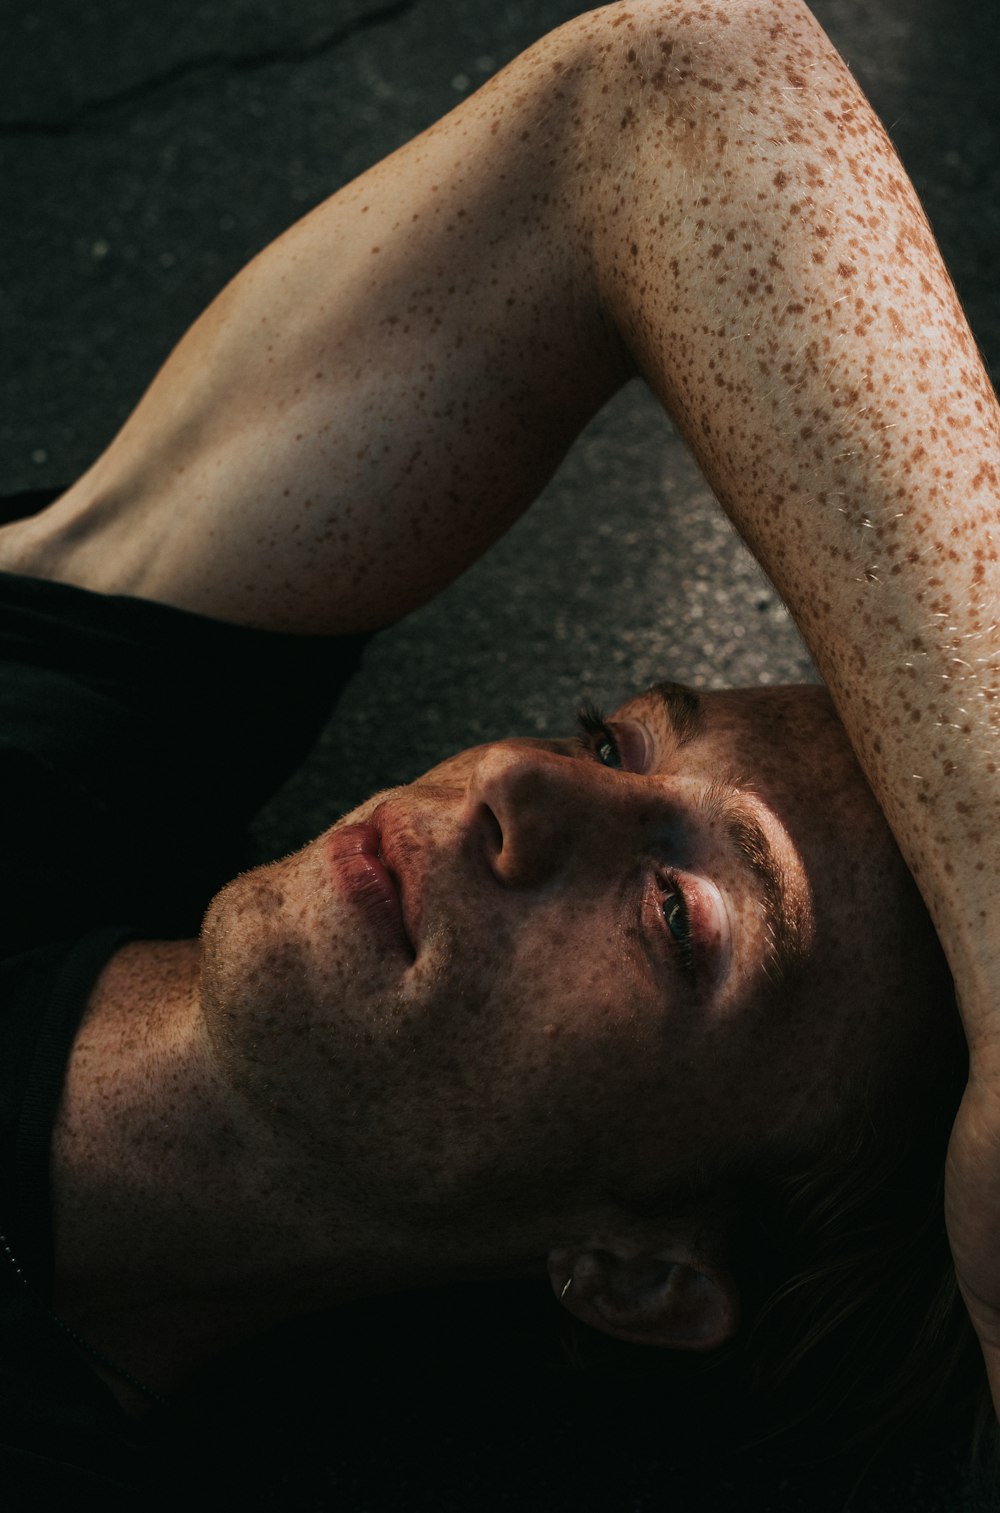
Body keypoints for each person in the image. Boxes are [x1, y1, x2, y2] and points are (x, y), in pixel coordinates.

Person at [0, 0, 996, 1492]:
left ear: (641, 1273)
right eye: (612, 738)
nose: (522, 784)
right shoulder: (56, 741)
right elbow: (678, 82)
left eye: (677, 919)